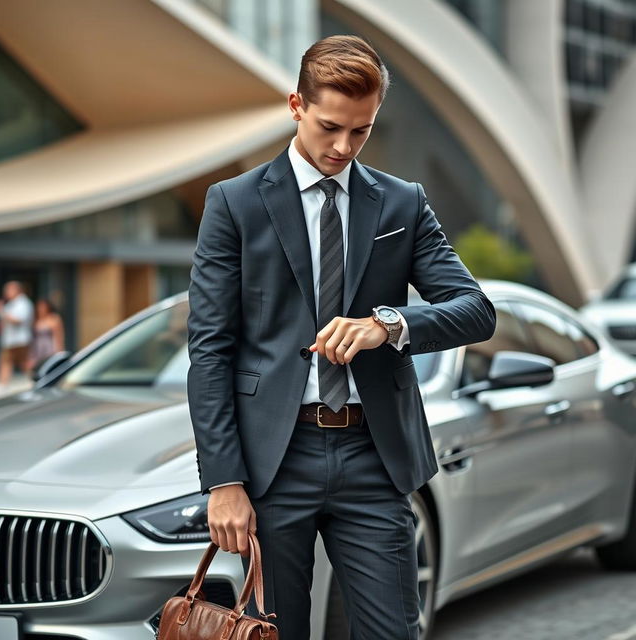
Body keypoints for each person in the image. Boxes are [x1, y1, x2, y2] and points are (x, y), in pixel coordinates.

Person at [187, 35, 496, 639]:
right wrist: (223, 482)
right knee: (274, 634)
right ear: (296, 104)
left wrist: (390, 324)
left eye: (362, 132)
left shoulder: (402, 203)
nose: (342, 147)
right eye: (331, 126)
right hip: (271, 461)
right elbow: (210, 349)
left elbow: (475, 310)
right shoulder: (235, 203)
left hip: (373, 457)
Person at [0, 280, 35, 388]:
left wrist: (1, 310)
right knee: (6, 362)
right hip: (9, 340)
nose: (6, 292)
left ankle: (34, 381)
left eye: (8, 290)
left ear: (16, 290)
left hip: (20, 340)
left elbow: (18, 320)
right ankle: (3, 384)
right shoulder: (11, 303)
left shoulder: (23, 303)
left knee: (24, 363)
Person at [28, 299, 65, 370]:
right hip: (38, 348)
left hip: (50, 347)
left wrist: (59, 350)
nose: (41, 309)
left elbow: (58, 335)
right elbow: (33, 339)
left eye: (43, 307)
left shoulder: (54, 318)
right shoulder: (36, 319)